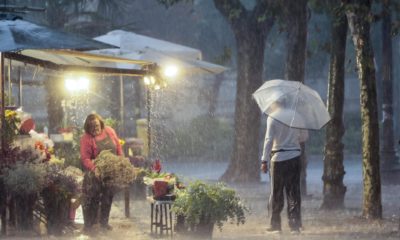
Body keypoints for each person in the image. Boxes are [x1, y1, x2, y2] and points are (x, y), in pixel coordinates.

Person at [261, 115, 308, 234]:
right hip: (294, 157)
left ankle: (276, 226)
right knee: (294, 192)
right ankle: (295, 226)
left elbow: (269, 140)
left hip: (278, 159)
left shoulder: (273, 117)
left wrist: (264, 160)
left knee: (276, 192)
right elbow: (304, 137)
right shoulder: (297, 116)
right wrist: (293, 139)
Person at [80, 113, 122, 233]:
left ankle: (104, 223)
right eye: (92, 127)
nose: (95, 129)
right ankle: (90, 224)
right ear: (87, 128)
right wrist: (95, 169)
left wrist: (121, 161)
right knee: (93, 197)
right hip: (95, 172)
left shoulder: (109, 131)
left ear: (101, 123)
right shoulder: (86, 139)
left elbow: (118, 146)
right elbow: (85, 158)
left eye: (97, 125)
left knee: (108, 196)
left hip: (110, 170)